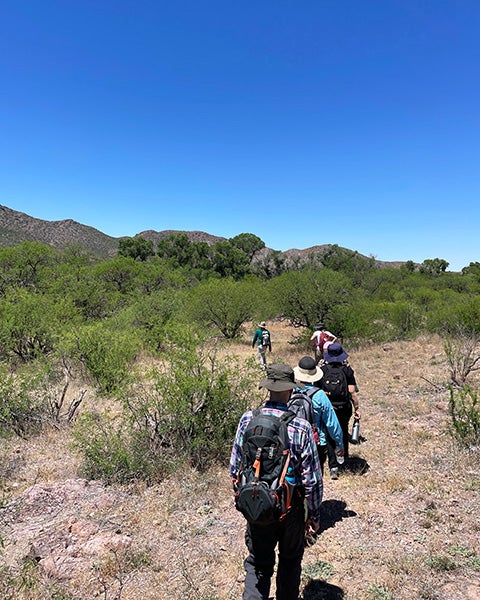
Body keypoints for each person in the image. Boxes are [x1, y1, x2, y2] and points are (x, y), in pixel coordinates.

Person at [230, 363, 322, 600]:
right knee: (290, 561)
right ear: (291, 390)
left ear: (269, 388)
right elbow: (311, 479)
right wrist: (313, 515)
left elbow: (234, 468)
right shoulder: (300, 427)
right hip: (290, 508)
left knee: (258, 563)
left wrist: (247, 499)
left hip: (257, 504)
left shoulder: (248, 419)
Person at [292, 356, 344, 476]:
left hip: (293, 439)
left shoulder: (291, 391)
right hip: (315, 441)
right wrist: (339, 444)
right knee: (314, 478)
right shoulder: (319, 395)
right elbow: (332, 423)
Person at [319, 342, 360, 479]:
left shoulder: (323, 370)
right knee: (343, 431)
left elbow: (318, 391)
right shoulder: (347, 370)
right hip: (344, 406)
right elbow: (352, 392)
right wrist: (357, 408)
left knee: (330, 435)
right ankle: (344, 460)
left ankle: (333, 467)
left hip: (329, 407)